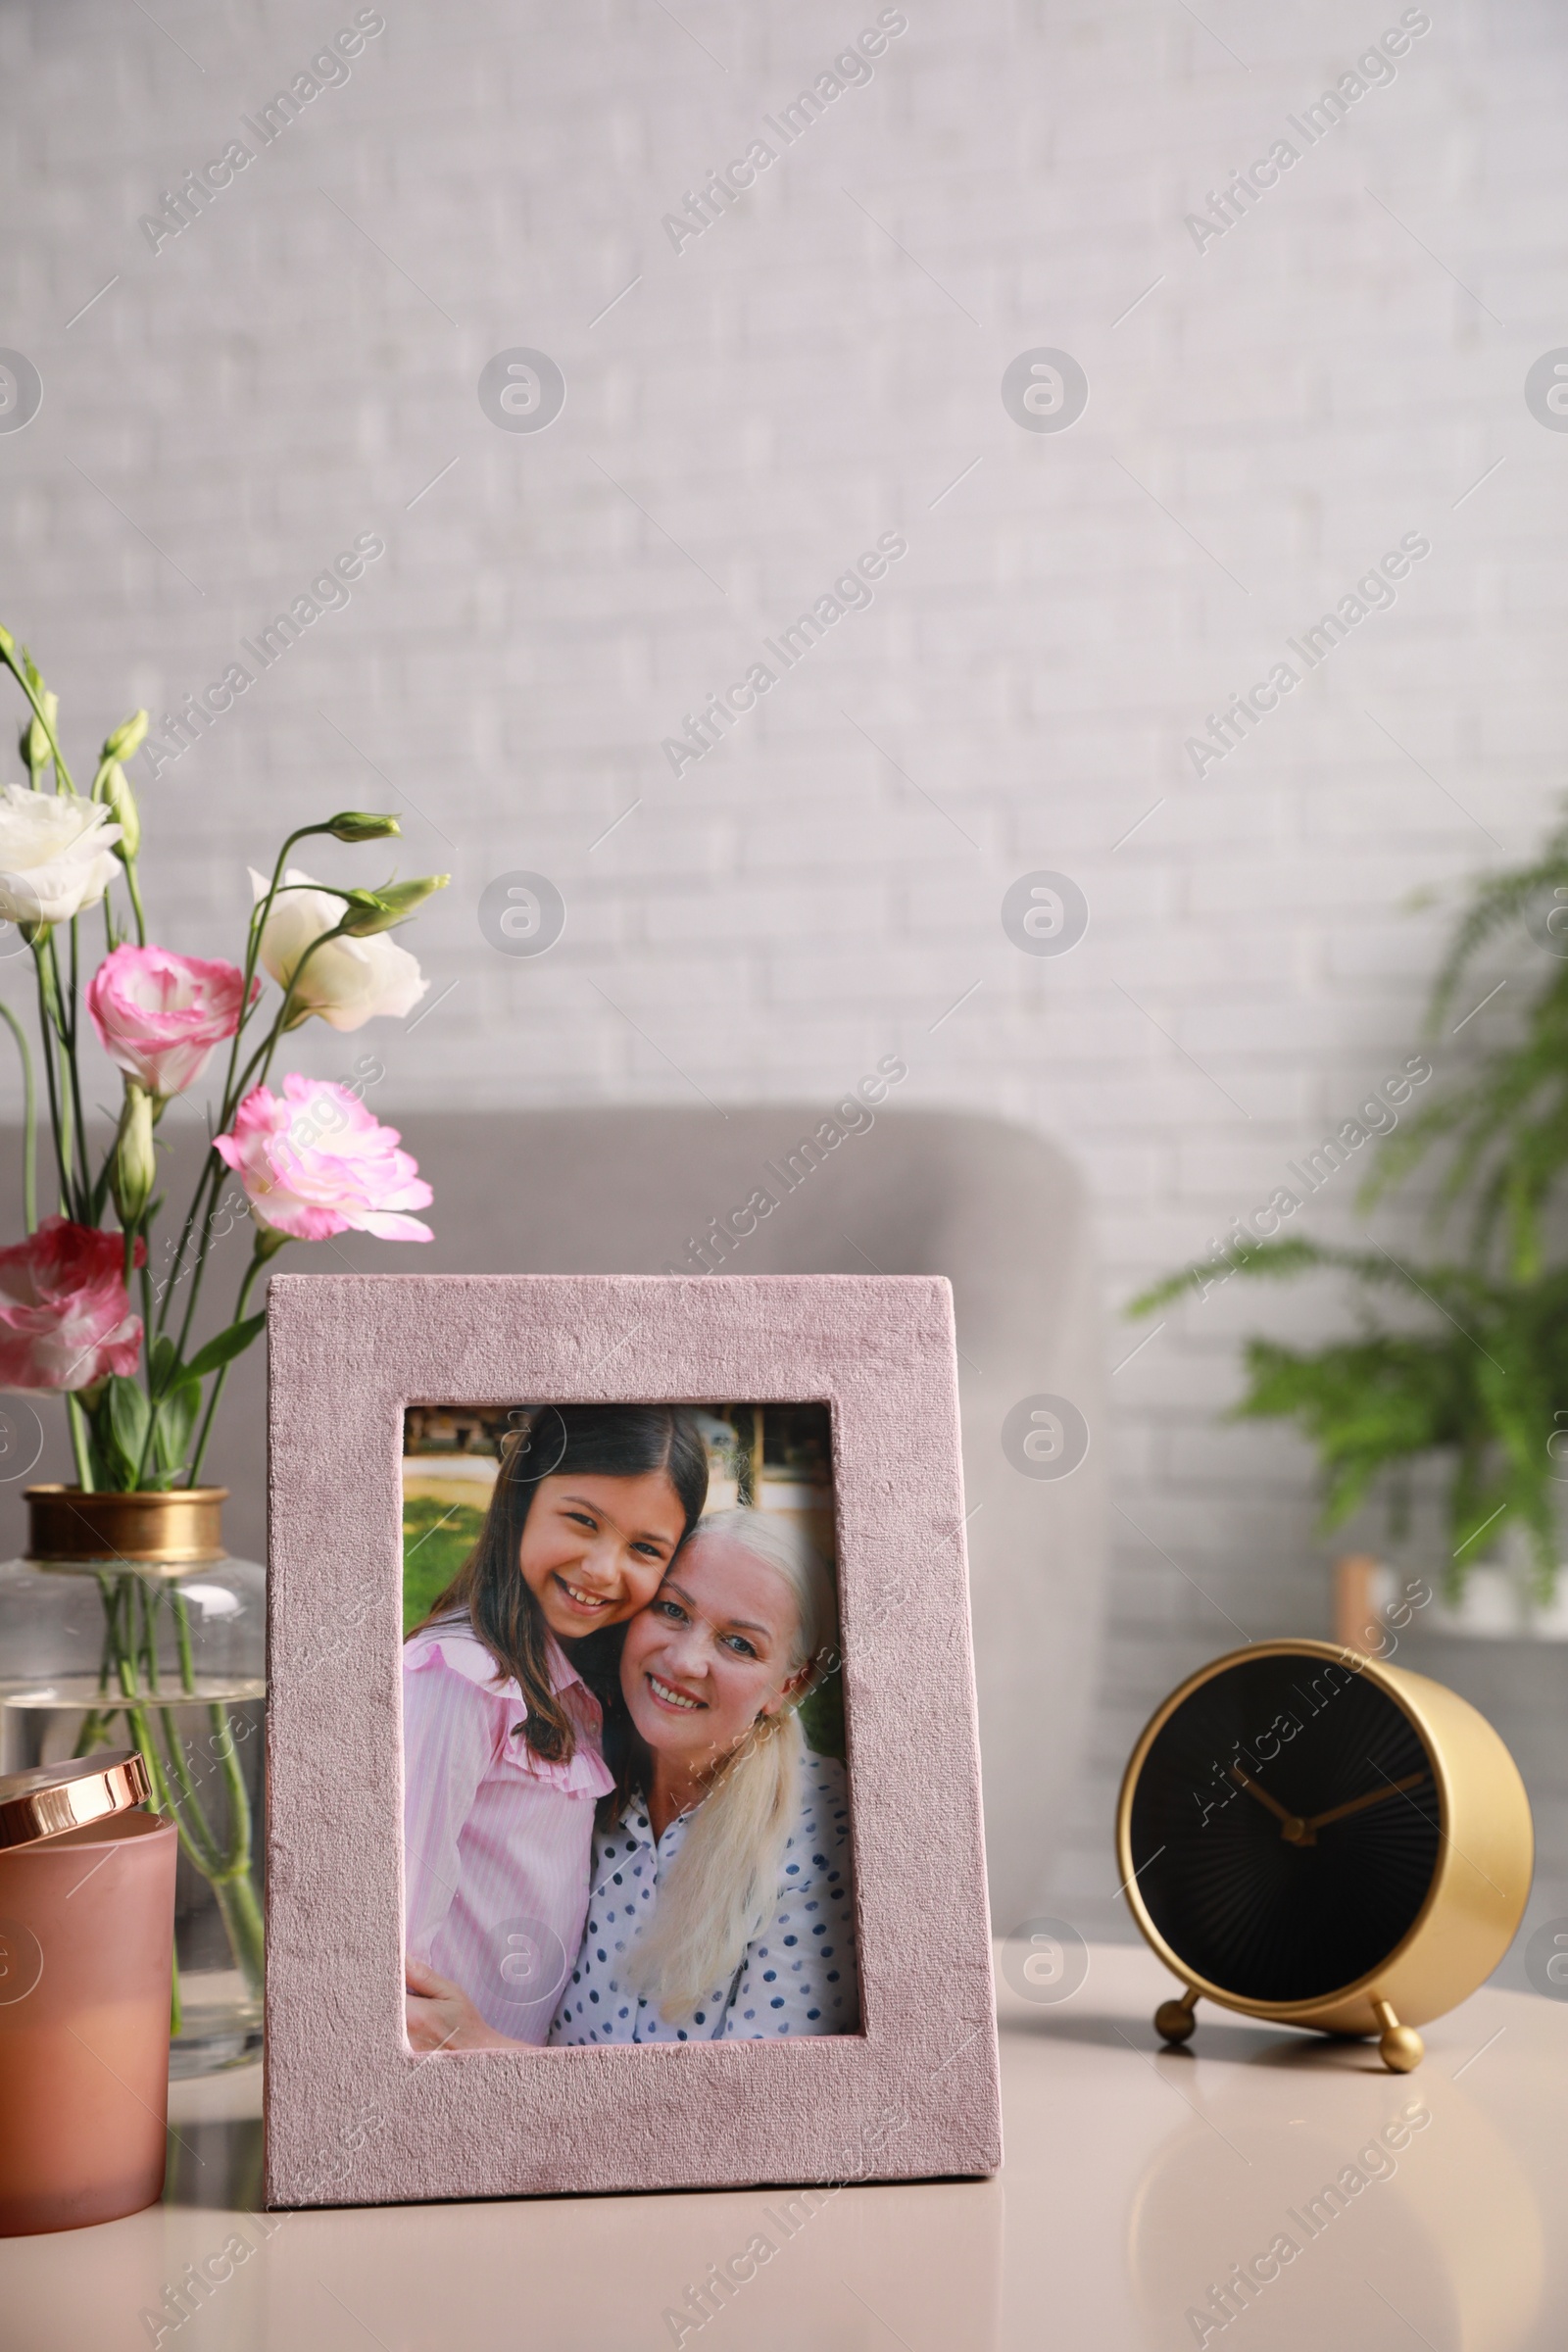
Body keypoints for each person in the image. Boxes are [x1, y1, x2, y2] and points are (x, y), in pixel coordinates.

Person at [403, 1403, 709, 2048]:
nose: (602, 1567)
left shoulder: (575, 1683)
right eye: (581, 1520)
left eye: (645, 1549)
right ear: (520, 1502)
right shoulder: (461, 1679)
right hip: (448, 2089)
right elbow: (389, 1932)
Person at [550, 1507, 857, 2042]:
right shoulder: (569, 1769)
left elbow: (752, 2108)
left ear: (790, 1685)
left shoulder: (826, 1840)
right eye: (672, 1610)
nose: (686, 1660)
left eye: (740, 1644)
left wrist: (482, 2048)